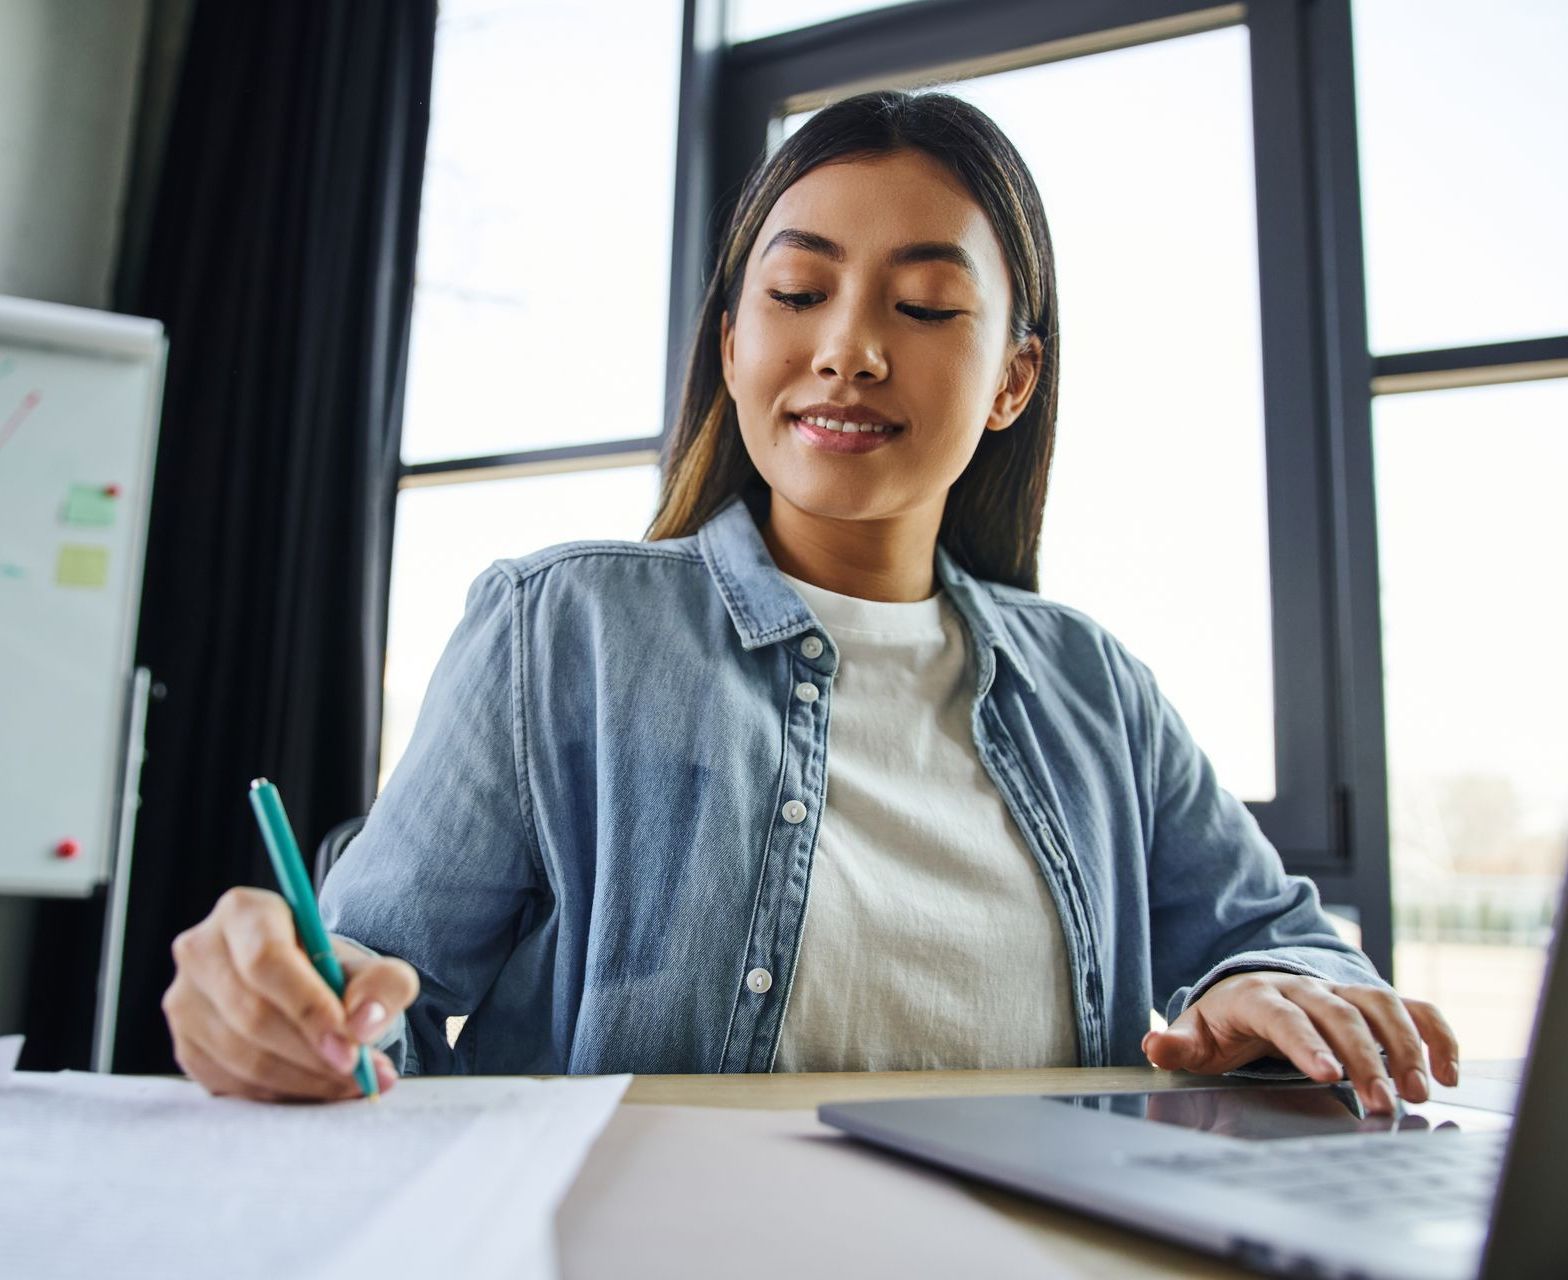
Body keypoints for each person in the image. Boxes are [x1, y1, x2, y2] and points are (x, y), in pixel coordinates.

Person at [161, 88, 1458, 1111]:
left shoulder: (1094, 688)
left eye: (928, 304)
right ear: (732, 342)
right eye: (796, 291)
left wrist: (1276, 991)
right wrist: (277, 1011)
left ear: (1013, 381)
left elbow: (1284, 941)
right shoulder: (566, 631)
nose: (849, 343)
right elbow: (359, 1008)